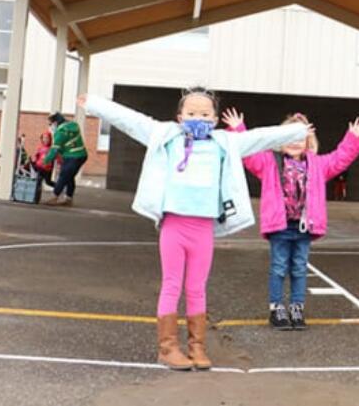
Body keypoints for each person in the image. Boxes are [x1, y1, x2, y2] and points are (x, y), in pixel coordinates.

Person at [78, 88, 307, 371]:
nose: (198, 118)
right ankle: (168, 347)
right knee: (172, 285)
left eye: (205, 114)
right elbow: (131, 120)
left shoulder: (225, 143)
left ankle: (197, 346)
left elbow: (259, 137)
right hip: (174, 224)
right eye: (191, 113)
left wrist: (296, 130)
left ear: (215, 119)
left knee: (197, 287)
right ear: (179, 117)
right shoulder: (166, 135)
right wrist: (95, 103)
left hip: (204, 228)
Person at [227, 110, 359, 331]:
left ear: (308, 141)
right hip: (280, 226)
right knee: (278, 267)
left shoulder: (318, 165)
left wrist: (352, 138)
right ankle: (277, 308)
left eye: (299, 138)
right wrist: (238, 129)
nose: (294, 143)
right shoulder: (269, 162)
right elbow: (248, 154)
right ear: (279, 140)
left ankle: (297, 307)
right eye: (288, 138)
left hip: (304, 226)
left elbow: (340, 159)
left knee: (299, 268)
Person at [41, 112, 87, 206]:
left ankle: (54, 196)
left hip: (72, 157)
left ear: (56, 122)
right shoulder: (73, 125)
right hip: (81, 155)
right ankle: (68, 199)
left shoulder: (60, 132)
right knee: (69, 176)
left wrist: (45, 161)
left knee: (64, 175)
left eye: (50, 124)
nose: (50, 127)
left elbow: (54, 150)